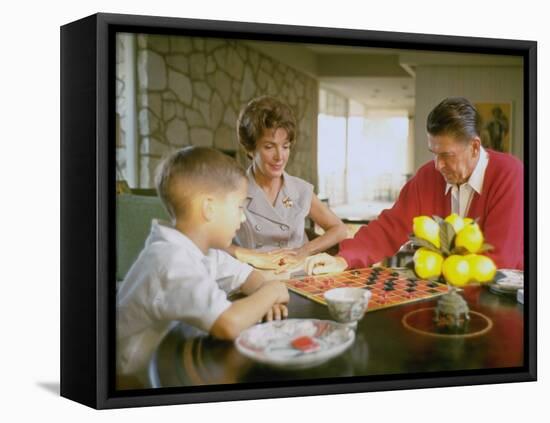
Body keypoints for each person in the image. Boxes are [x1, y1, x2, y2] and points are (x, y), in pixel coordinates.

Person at [117, 147, 289, 380]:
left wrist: (261, 295)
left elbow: (245, 275)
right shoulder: (171, 261)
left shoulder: (199, 251)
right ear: (209, 208)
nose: (243, 217)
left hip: (173, 351)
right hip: (132, 378)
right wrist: (272, 291)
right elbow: (228, 324)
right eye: (239, 206)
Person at [305, 97, 523, 275]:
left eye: (447, 155)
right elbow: (389, 228)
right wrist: (344, 259)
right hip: (445, 293)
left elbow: (500, 260)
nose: (438, 166)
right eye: (434, 154)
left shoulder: (509, 174)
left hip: (503, 297)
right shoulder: (428, 176)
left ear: (475, 147)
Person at [228, 96, 347, 270]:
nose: (279, 156)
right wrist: (251, 256)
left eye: (285, 146)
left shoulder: (300, 189)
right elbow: (210, 243)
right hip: (252, 277)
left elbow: (339, 229)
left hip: (299, 277)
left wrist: (305, 250)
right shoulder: (232, 190)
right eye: (269, 147)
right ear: (250, 149)